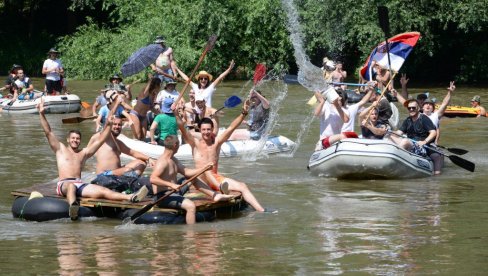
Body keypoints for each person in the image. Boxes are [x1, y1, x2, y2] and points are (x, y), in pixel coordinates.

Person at [37, 97, 149, 220]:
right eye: (73, 138)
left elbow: (102, 139)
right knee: (71, 186)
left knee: (103, 191)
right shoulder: (60, 149)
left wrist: (109, 124)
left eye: (78, 139)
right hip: (64, 184)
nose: (75, 140)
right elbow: (48, 132)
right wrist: (41, 114)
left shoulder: (83, 153)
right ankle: (73, 207)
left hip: (79, 184)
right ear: (68, 140)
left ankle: (131, 197)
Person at [175, 99, 267, 212]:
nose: (206, 132)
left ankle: (262, 211)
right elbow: (183, 129)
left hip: (215, 179)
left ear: (212, 129)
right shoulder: (195, 144)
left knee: (242, 186)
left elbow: (231, 128)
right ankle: (220, 189)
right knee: (206, 169)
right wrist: (176, 114)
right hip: (201, 179)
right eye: (204, 130)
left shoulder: (217, 143)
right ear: (199, 129)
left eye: (209, 129)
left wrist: (243, 113)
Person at [150, 135, 232, 224]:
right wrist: (171, 185)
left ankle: (215, 195)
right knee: (191, 206)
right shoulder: (162, 162)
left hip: (175, 191)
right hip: (163, 196)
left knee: (193, 178)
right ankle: (191, 233)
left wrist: (204, 169)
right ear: (175, 145)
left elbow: (187, 172)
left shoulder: (173, 159)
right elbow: (153, 179)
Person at [90, 112, 156, 194]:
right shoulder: (103, 138)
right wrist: (117, 102)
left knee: (141, 163)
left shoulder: (118, 142)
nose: (117, 127)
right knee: (127, 170)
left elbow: (133, 153)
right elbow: (107, 124)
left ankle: (126, 186)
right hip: (104, 175)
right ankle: (130, 186)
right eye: (114, 124)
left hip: (117, 172)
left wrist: (149, 158)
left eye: (119, 125)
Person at [389, 99, 442, 174]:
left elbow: (433, 132)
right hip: (411, 144)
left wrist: (424, 141)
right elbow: (398, 133)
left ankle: (396, 160)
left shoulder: (424, 118)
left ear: (418, 108)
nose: (411, 109)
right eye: (409, 108)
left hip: (422, 147)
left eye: (413, 108)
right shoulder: (408, 120)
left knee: (405, 141)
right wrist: (388, 131)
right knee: (389, 137)